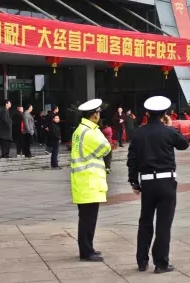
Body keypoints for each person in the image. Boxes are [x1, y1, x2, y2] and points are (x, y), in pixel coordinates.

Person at [127, 96, 189, 274]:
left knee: (145, 221)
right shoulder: (168, 131)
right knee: (163, 223)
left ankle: (142, 260)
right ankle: (161, 263)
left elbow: (132, 159)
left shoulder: (139, 133)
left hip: (147, 182)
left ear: (147, 114)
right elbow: (184, 144)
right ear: (165, 114)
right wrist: (170, 126)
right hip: (166, 182)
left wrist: (134, 181)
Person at [70, 99, 111, 262]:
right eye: (98, 114)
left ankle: (88, 248)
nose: (99, 117)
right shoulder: (89, 132)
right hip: (89, 181)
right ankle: (86, 251)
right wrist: (98, 130)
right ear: (94, 115)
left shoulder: (80, 130)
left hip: (83, 181)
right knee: (88, 219)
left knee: (86, 218)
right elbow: (106, 148)